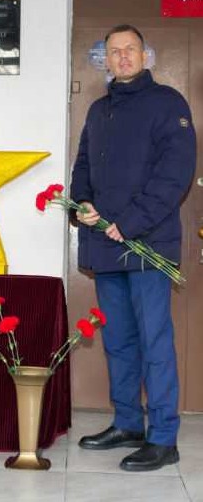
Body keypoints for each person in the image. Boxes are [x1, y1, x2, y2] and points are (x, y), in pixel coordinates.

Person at [71, 24, 196, 472]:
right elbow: (83, 166)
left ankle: (163, 438)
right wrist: (82, 205)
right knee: (119, 341)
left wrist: (131, 222)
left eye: (130, 49)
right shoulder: (98, 111)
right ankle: (127, 423)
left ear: (146, 56)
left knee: (154, 341)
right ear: (105, 59)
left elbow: (175, 174)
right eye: (114, 51)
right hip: (106, 247)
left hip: (147, 245)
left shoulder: (168, 104)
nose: (122, 57)